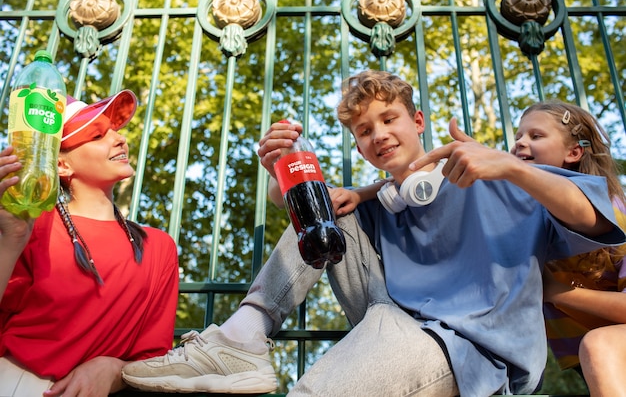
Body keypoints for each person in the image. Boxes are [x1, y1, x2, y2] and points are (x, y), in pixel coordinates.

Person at [121, 70, 625, 396]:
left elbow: (595, 218)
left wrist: (512, 168)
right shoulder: (378, 202)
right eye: (365, 131)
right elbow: (299, 212)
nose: (379, 134)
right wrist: (284, 171)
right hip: (391, 316)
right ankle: (242, 336)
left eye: (390, 118)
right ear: (360, 147)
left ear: (419, 121)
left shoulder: (502, 173)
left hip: (471, 348)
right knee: (322, 201)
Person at [0, 90, 179, 397]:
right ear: (61, 165)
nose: (119, 139)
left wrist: (114, 371)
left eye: (116, 131)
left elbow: (152, 355)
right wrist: (10, 241)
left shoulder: (159, 247)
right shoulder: (29, 223)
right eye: (97, 136)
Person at [511, 101, 626, 397]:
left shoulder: (615, 214)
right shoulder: (524, 220)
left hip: (606, 347)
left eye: (536, 136)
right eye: (517, 137)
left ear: (573, 153)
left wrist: (554, 291)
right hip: (592, 360)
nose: (521, 142)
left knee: (598, 343)